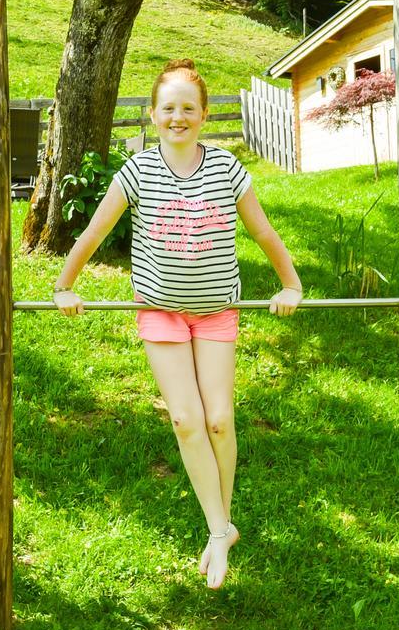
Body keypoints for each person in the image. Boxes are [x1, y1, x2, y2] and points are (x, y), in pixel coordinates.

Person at [52, 58, 302, 590]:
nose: (178, 116)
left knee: (218, 420)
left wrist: (292, 285)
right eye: (168, 107)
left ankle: (219, 525)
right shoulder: (137, 172)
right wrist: (63, 286)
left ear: (205, 115)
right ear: (152, 114)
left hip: (215, 312)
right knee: (186, 420)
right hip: (160, 312)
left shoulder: (227, 169)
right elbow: (95, 232)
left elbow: (263, 232)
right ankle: (219, 530)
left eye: (189, 108)